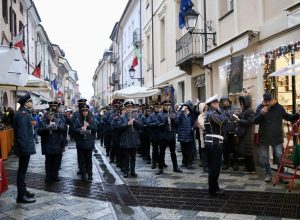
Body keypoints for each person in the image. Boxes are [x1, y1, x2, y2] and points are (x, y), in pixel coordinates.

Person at [254, 92, 299, 183]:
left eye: (269, 101)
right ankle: (268, 174)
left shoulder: (279, 108)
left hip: (276, 137)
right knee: (265, 157)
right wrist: (261, 114)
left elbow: (289, 117)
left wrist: (297, 114)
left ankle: (281, 175)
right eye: (265, 101)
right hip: (264, 138)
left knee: (279, 156)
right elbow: (255, 121)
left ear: (273, 100)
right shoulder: (260, 108)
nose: (267, 103)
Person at [13, 93, 36, 203]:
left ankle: (23, 191)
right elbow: (22, 134)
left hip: (24, 147)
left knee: (23, 171)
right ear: (26, 103)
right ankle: (21, 196)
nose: (32, 103)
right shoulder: (22, 114)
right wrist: (24, 148)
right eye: (30, 101)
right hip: (24, 148)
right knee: (22, 172)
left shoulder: (25, 112)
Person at [204, 95, 226, 196]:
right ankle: (213, 190)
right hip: (214, 143)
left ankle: (214, 188)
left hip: (212, 143)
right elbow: (223, 120)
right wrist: (221, 111)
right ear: (212, 104)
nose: (218, 104)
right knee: (215, 167)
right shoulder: (212, 114)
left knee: (213, 167)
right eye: (216, 103)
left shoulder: (209, 113)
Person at [37, 110, 66, 183]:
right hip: (47, 144)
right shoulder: (43, 121)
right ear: (47, 115)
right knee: (48, 162)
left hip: (57, 144)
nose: (50, 116)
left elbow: (63, 129)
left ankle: (55, 176)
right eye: (49, 114)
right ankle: (48, 176)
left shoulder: (59, 121)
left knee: (56, 162)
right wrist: (46, 128)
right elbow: (38, 131)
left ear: (54, 115)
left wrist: (56, 127)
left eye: (52, 114)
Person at [156, 100, 183, 175]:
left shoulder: (172, 113)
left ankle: (175, 167)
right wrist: (165, 121)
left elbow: (177, 123)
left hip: (171, 136)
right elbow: (158, 126)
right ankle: (160, 168)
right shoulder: (159, 115)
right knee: (162, 153)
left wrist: (173, 119)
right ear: (163, 106)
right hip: (163, 136)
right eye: (166, 105)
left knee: (173, 152)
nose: (167, 107)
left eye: (169, 105)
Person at [118, 101, 143, 178]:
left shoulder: (136, 116)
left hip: (133, 139)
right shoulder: (122, 117)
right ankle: (126, 171)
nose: (129, 109)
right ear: (125, 108)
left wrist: (134, 121)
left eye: (131, 107)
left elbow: (141, 125)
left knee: (133, 158)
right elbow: (119, 128)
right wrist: (127, 124)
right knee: (126, 157)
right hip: (126, 140)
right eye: (128, 107)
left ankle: (133, 171)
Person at [73, 104, 97, 181]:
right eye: (83, 111)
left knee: (89, 159)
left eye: (86, 111)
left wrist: (89, 125)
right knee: (81, 159)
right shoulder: (77, 120)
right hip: (80, 142)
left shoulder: (92, 119)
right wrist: (81, 129)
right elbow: (74, 129)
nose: (85, 112)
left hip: (89, 142)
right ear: (81, 112)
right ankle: (83, 174)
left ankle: (90, 173)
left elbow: (95, 129)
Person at [235, 94, 256, 174]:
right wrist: (238, 116)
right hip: (245, 133)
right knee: (246, 152)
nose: (242, 104)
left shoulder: (249, 110)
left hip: (247, 134)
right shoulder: (246, 110)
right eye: (241, 102)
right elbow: (244, 117)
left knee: (248, 152)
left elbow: (250, 122)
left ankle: (251, 169)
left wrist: (238, 120)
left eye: (243, 102)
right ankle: (248, 168)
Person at [219, 96, 238, 171]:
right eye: (224, 101)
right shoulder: (219, 110)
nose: (226, 102)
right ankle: (226, 163)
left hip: (233, 132)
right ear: (221, 102)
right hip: (224, 132)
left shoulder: (232, 108)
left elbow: (236, 118)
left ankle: (235, 163)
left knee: (234, 149)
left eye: (227, 101)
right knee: (225, 149)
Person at [177, 101, 195, 169]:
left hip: (189, 134)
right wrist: (181, 111)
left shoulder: (191, 115)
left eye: (186, 107)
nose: (185, 108)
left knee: (189, 150)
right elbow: (177, 120)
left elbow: (194, 123)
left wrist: (192, 128)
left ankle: (189, 163)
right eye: (184, 107)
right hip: (182, 135)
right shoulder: (180, 114)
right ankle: (184, 162)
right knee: (183, 150)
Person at [147, 102, 162, 169]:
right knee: (154, 150)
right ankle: (154, 163)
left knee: (161, 150)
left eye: (159, 107)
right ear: (154, 107)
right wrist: (156, 124)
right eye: (156, 107)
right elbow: (149, 123)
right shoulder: (151, 115)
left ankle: (162, 162)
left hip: (161, 135)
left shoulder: (162, 114)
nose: (158, 108)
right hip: (154, 135)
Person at [198, 102, 208, 172]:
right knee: (204, 152)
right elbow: (203, 126)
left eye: (207, 108)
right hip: (204, 136)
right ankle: (205, 166)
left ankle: (208, 165)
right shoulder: (200, 116)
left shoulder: (208, 115)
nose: (206, 110)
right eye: (205, 109)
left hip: (209, 136)